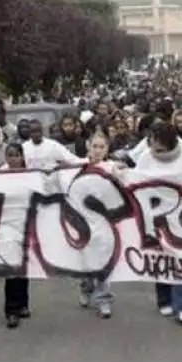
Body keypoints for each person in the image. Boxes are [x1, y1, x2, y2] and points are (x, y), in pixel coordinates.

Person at [134, 121, 182, 326]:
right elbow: (136, 178)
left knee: (181, 258)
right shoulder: (146, 157)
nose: (152, 144)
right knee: (160, 258)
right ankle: (164, 299)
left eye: (156, 140)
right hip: (155, 213)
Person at [76, 132, 121, 319]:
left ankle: (103, 300)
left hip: (105, 222)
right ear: (88, 146)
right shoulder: (79, 166)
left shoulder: (111, 169)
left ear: (107, 149)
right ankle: (86, 289)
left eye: (102, 147)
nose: (97, 150)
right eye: (94, 146)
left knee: (104, 261)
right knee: (86, 260)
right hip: (82, 220)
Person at [0, 142, 32, 329]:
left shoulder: (29, 175)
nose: (12, 159)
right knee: (11, 269)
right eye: (9, 155)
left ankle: (23, 304)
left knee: (24, 267)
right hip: (6, 226)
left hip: (25, 224)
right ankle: (11, 310)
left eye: (16, 155)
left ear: (22, 156)